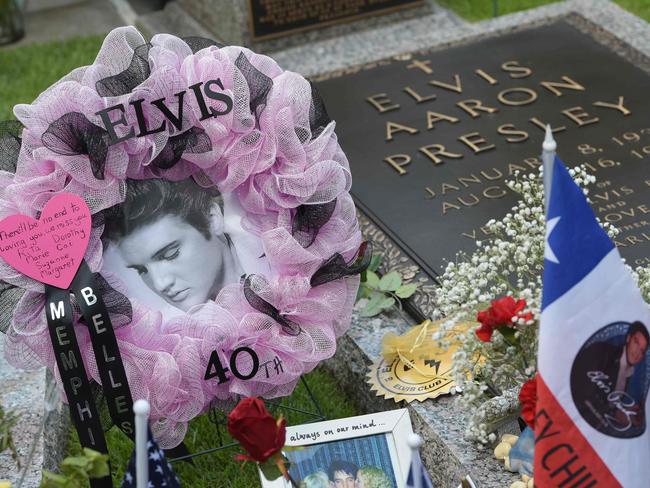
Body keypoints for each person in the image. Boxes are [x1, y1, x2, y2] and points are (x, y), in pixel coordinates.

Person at [103, 178, 243, 312]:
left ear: (212, 219)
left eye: (170, 254)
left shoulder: (263, 259)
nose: (160, 284)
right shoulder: (162, 331)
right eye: (142, 270)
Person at [571, 321, 649, 437]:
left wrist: (627, 415)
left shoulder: (629, 372)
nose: (638, 352)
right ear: (628, 338)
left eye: (642, 350)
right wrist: (613, 412)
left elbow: (609, 403)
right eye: (636, 342)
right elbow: (581, 391)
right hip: (573, 422)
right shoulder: (602, 352)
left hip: (592, 433)